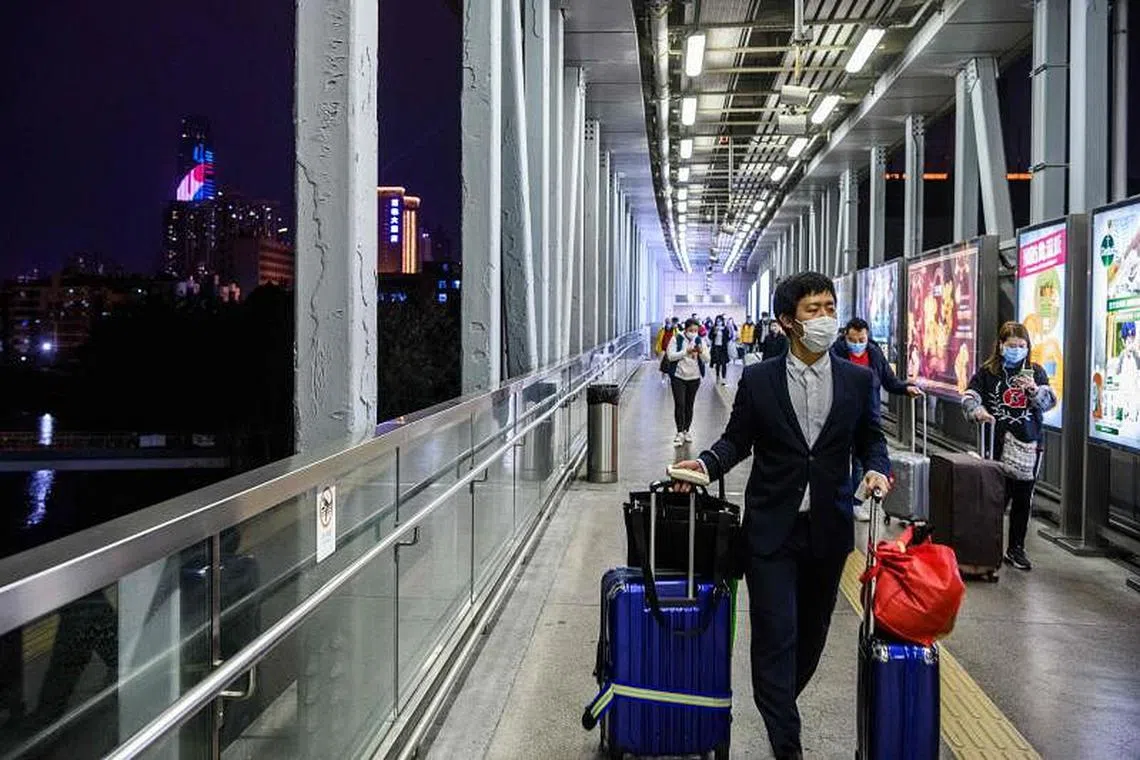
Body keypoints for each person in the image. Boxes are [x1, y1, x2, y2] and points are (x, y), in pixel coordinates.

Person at [672, 272, 891, 760]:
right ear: (788, 321)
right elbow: (737, 440)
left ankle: (777, 702)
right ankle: (786, 742)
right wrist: (705, 465)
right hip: (772, 531)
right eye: (814, 309)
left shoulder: (857, 380)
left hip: (828, 530)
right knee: (775, 634)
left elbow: (871, 440)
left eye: (830, 307)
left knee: (811, 638)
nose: (826, 317)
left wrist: (878, 469)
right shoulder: (760, 380)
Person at [961, 321, 1057, 571]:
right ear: (1001, 346)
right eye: (1012, 345)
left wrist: (1034, 391)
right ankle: (987, 547)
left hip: (1028, 445)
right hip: (996, 444)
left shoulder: (1035, 372)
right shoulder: (988, 372)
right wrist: (976, 410)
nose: (1016, 350)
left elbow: (1049, 402)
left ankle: (1016, 548)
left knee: (1023, 499)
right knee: (994, 497)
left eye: (1021, 345)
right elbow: (970, 395)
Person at [831, 317, 923, 521]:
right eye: (853, 340)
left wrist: (905, 388)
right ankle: (837, 502)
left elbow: (889, 381)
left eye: (861, 340)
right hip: (841, 415)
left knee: (860, 462)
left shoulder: (874, 354)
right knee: (838, 461)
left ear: (867, 337)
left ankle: (855, 503)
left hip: (867, 415)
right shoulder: (835, 353)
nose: (857, 344)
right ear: (845, 337)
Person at [665, 318, 710, 446]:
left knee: (689, 405)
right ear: (685, 329)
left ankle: (686, 430)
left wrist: (701, 352)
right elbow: (670, 356)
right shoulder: (677, 339)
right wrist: (686, 352)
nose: (693, 333)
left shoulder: (700, 340)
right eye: (691, 330)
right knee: (680, 404)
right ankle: (679, 432)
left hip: (694, 378)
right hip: (678, 377)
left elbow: (707, 359)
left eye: (695, 330)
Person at [708, 315, 732, 386]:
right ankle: (717, 376)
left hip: (723, 348)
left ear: (722, 321)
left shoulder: (725, 328)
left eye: (720, 321)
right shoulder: (713, 328)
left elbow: (728, 338)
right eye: (717, 321)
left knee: (724, 363)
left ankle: (724, 379)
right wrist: (714, 333)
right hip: (716, 347)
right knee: (718, 363)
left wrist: (727, 334)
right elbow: (710, 337)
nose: (719, 322)